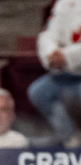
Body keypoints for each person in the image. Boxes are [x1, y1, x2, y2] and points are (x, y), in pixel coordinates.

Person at [29, 0, 81, 145]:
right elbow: (48, 35)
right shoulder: (65, 3)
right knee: (38, 92)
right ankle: (67, 136)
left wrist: (67, 56)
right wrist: (51, 53)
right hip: (62, 74)